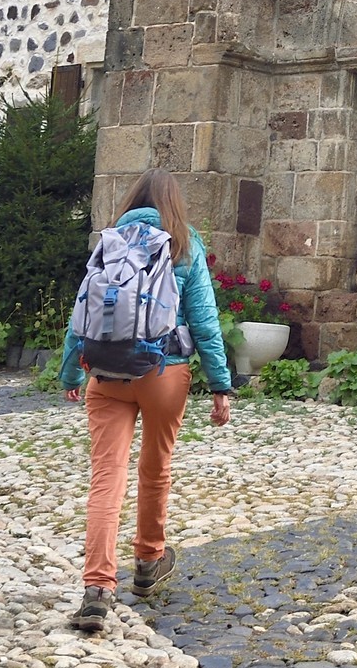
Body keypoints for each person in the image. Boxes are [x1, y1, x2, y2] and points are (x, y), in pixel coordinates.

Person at [59, 167, 235, 633]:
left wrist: (71, 369)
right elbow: (203, 319)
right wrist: (220, 384)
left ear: (133, 197)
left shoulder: (111, 239)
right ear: (174, 202)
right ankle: (147, 561)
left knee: (106, 476)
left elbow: (83, 309)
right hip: (164, 371)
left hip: (106, 372)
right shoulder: (183, 242)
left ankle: (97, 589)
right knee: (155, 466)